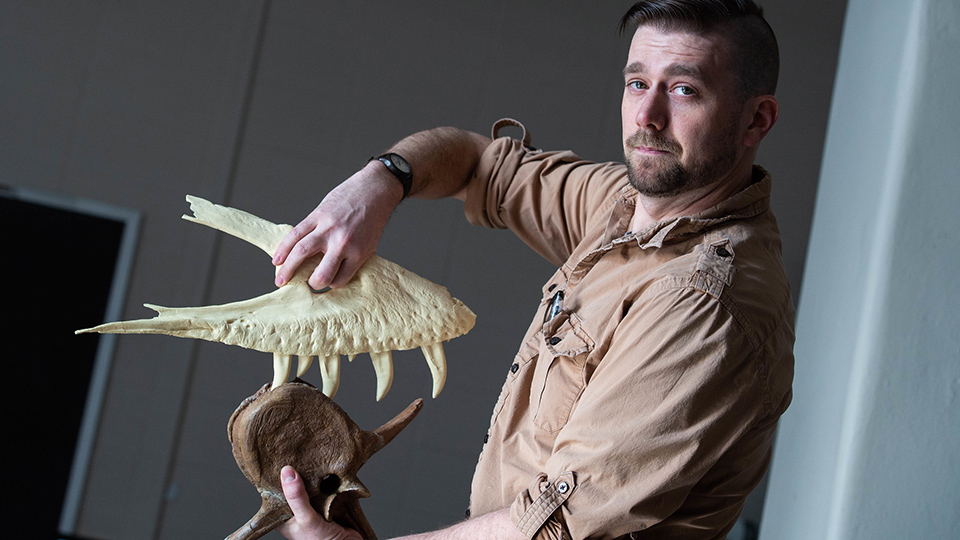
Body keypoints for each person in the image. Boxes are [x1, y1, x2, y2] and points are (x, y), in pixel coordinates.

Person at [270, 1, 794, 538]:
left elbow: (553, 527)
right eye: (637, 83)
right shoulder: (623, 205)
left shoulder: (705, 301)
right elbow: (478, 162)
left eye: (684, 90)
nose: (647, 117)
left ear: (757, 119)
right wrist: (378, 183)